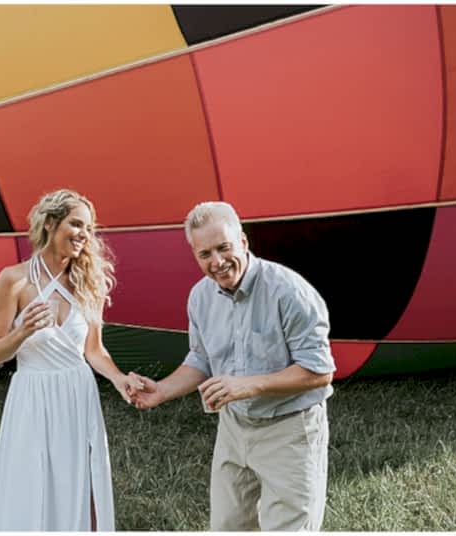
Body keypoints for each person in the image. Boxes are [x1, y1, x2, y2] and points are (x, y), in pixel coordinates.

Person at [129, 201, 336, 531]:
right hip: (234, 428)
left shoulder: (288, 290)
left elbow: (319, 371)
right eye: (205, 254)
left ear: (243, 241)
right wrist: (162, 390)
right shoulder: (200, 297)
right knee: (227, 527)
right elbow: (201, 358)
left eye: (224, 248)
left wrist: (249, 384)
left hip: (290, 430)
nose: (218, 262)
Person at [0, 189, 142, 531]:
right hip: (33, 394)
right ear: (51, 223)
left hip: (77, 392)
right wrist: (22, 331)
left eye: (89, 228)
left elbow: (94, 350)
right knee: (31, 482)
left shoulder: (88, 282)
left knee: (83, 478)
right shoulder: (14, 280)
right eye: (77, 224)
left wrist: (118, 379)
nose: (85, 234)